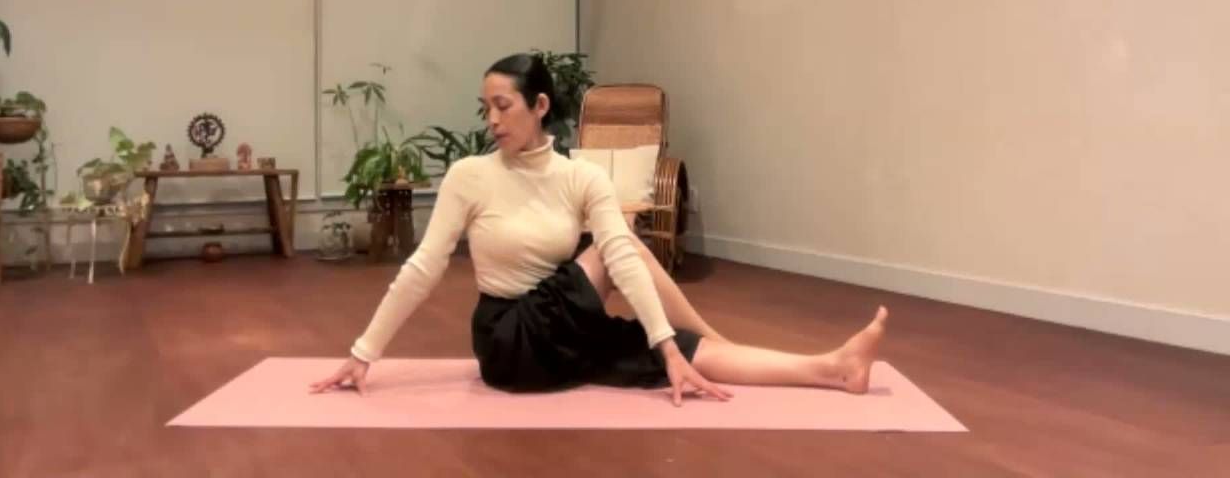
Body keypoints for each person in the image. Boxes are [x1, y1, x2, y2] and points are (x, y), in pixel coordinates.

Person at [310, 53, 888, 406]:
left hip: (563, 330)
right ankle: (706, 340)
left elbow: (623, 260)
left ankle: (832, 369)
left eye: (503, 106)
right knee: (624, 254)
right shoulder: (470, 176)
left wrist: (666, 344)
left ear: (539, 105)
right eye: (486, 107)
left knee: (674, 350)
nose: (491, 120)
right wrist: (364, 353)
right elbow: (423, 267)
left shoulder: (581, 177)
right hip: (509, 340)